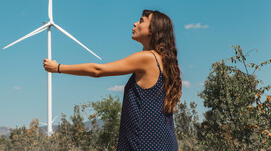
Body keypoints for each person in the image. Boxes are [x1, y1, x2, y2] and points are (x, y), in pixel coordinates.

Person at [43, 9, 181, 150]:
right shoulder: (165, 62)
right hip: (165, 143)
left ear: (153, 30)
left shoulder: (146, 58)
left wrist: (58, 67)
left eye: (141, 21)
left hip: (144, 145)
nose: (134, 24)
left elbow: (98, 70)